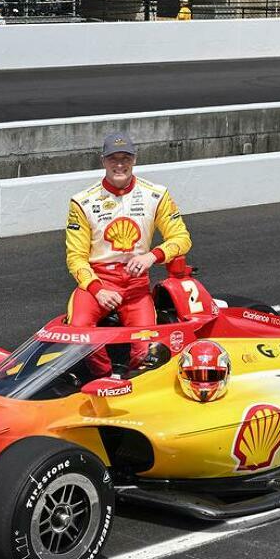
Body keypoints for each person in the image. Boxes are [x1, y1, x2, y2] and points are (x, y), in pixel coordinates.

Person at [65, 132, 192, 377]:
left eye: (126, 158)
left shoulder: (156, 194)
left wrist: (152, 256)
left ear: (134, 160)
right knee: (79, 331)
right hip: (98, 282)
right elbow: (75, 257)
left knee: (147, 351)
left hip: (136, 287)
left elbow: (182, 238)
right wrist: (97, 290)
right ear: (103, 161)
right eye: (113, 158)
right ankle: (103, 378)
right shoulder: (82, 201)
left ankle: (134, 389)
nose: (120, 164)